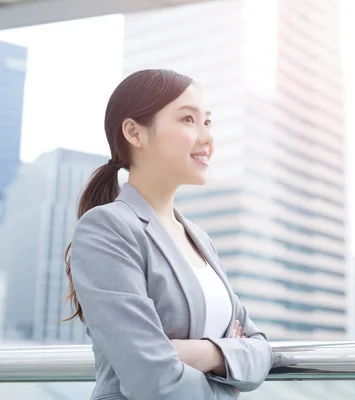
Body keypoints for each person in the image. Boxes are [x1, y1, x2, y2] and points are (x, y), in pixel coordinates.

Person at [63, 69, 274, 400]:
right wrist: (228, 360)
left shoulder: (200, 239)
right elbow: (152, 381)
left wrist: (195, 352)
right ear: (134, 132)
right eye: (188, 120)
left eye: (207, 122)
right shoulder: (107, 228)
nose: (207, 138)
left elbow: (261, 350)